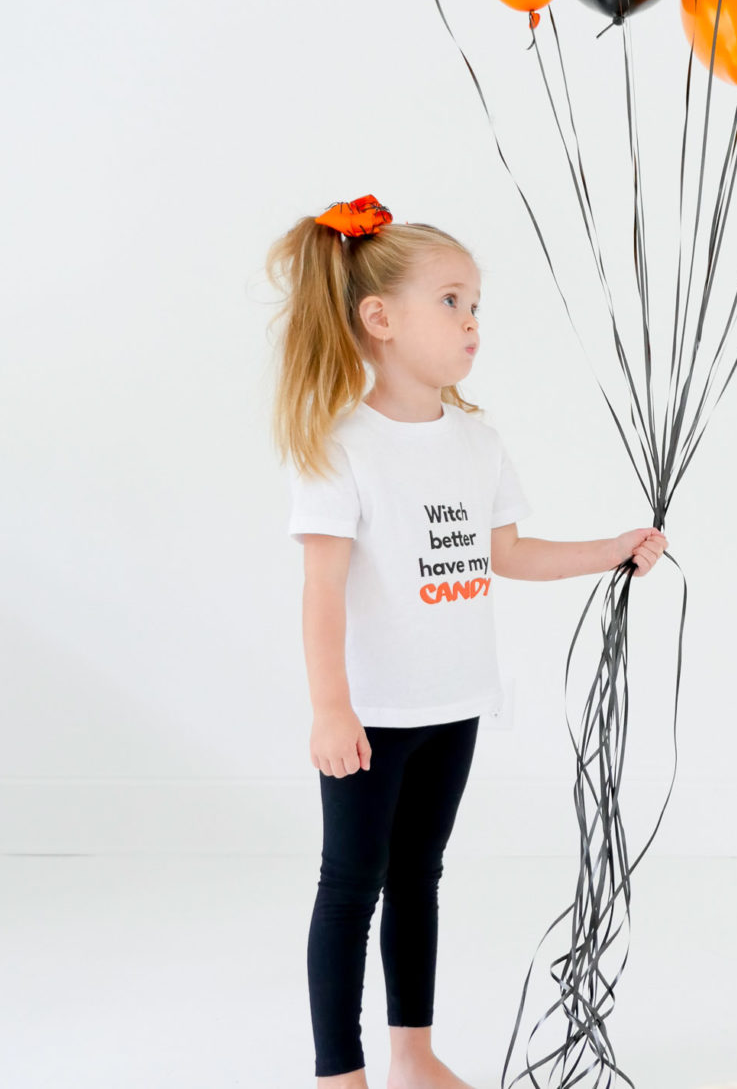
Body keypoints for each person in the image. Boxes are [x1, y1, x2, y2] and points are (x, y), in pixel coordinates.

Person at [265, 195, 668, 1089]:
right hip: (372, 715)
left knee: (420, 878)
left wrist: (612, 549)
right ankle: (341, 1073)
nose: (473, 322)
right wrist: (331, 707)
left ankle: (413, 1052)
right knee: (350, 887)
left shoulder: (476, 441)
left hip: (455, 705)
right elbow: (321, 588)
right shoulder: (341, 447)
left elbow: (508, 552)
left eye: (477, 303)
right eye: (451, 301)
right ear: (380, 319)